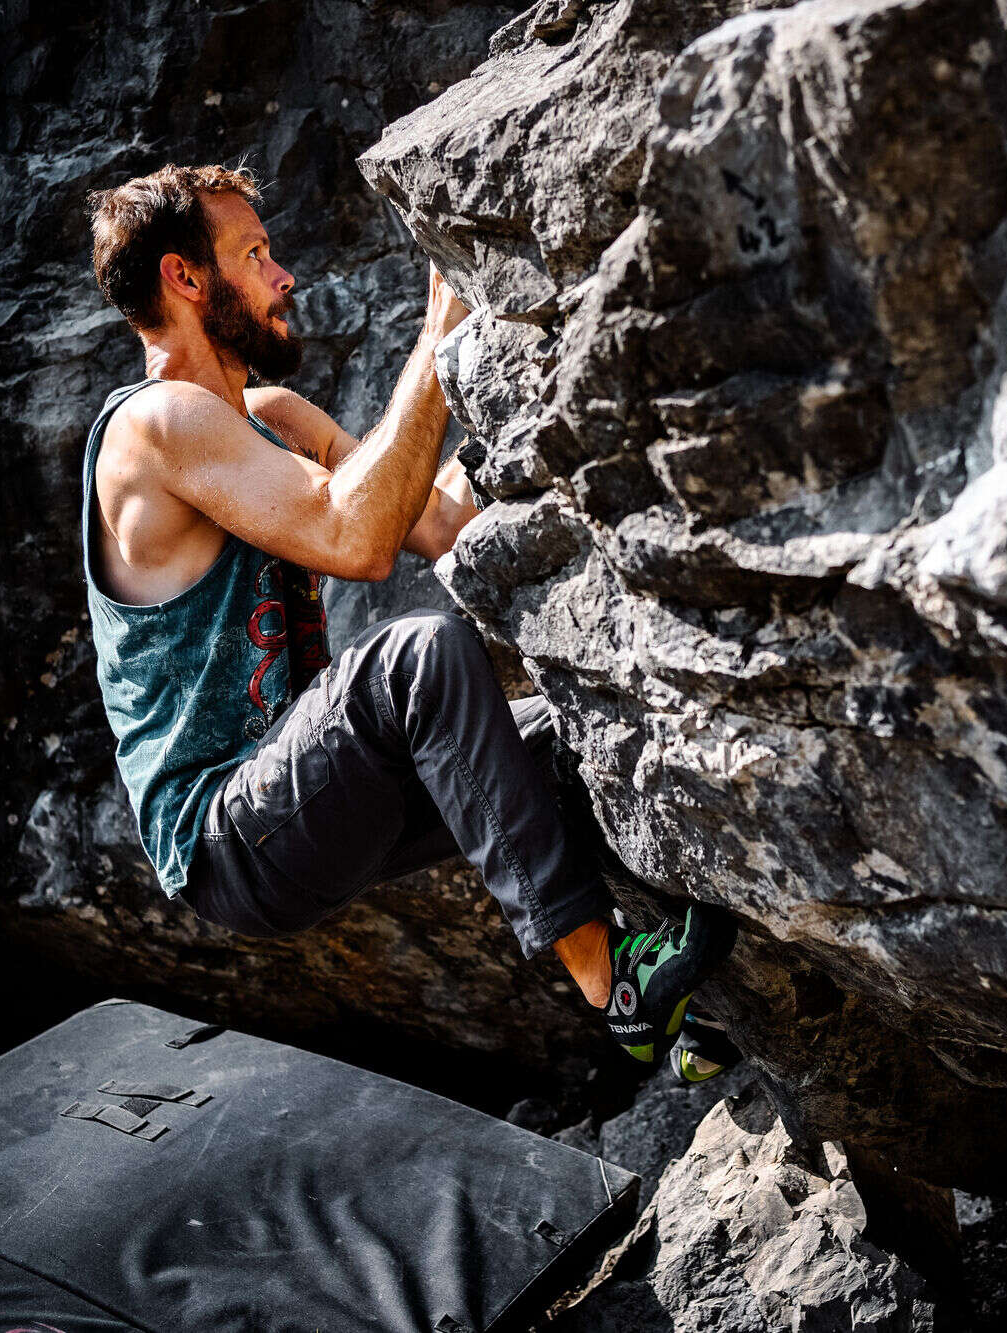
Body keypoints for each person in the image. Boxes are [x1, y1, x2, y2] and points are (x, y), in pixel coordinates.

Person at [78, 162, 733, 1067]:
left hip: (312, 794)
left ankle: (693, 1003)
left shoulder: (270, 417)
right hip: (226, 833)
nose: (284, 277)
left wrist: (555, 377)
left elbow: (433, 519)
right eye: (254, 255)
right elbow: (358, 540)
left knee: (570, 741)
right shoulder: (154, 426)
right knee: (420, 659)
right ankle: (608, 979)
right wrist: (435, 335)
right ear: (185, 278)